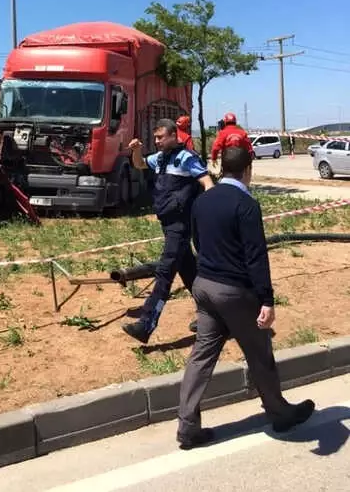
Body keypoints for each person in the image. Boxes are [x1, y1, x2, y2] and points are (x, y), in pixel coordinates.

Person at [176, 146, 315, 450]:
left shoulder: (203, 200)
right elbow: (255, 256)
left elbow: (197, 241)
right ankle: (280, 414)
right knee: (259, 354)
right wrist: (266, 299)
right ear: (248, 169)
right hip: (235, 292)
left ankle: (187, 426)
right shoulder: (246, 204)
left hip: (204, 286)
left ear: (221, 168)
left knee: (201, 357)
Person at [123, 119, 214, 344]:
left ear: (174, 136)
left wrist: (212, 207)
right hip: (168, 224)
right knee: (190, 273)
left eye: (161, 137)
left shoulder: (186, 158)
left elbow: (206, 180)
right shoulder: (161, 159)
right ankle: (215, 318)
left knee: (164, 273)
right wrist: (136, 151)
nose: (157, 141)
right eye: (155, 138)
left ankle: (146, 324)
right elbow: (140, 164)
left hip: (180, 226)